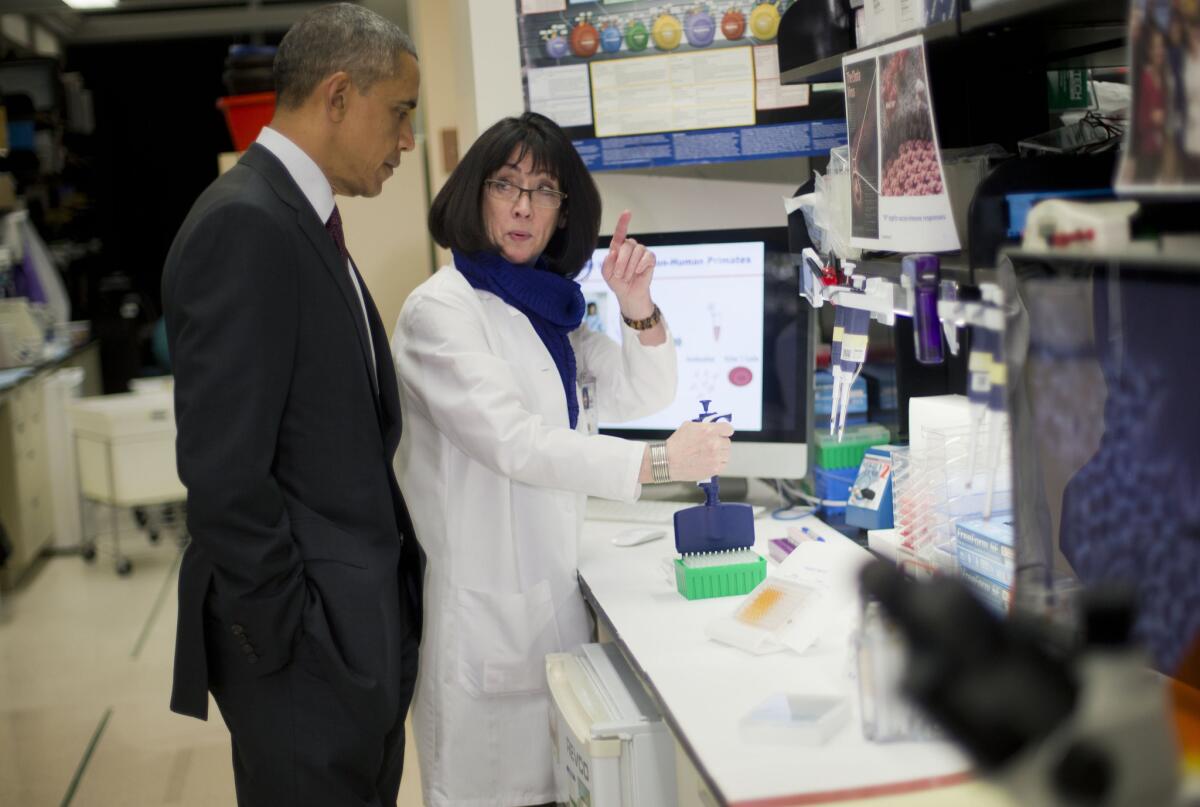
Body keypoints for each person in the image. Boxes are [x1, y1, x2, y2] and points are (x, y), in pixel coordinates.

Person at [392, 111, 732, 806]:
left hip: (549, 606)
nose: (523, 205)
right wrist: (656, 467)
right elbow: (514, 441)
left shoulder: (555, 310)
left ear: (562, 210)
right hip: (486, 627)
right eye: (506, 184)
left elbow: (644, 388)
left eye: (543, 189)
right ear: (474, 194)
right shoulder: (441, 313)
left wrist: (637, 306)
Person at [161, 5, 424, 806]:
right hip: (305, 654)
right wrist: (291, 638)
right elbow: (223, 473)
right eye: (401, 113)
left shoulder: (301, 218)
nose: (408, 142)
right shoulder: (246, 225)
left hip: (345, 635)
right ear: (338, 96)